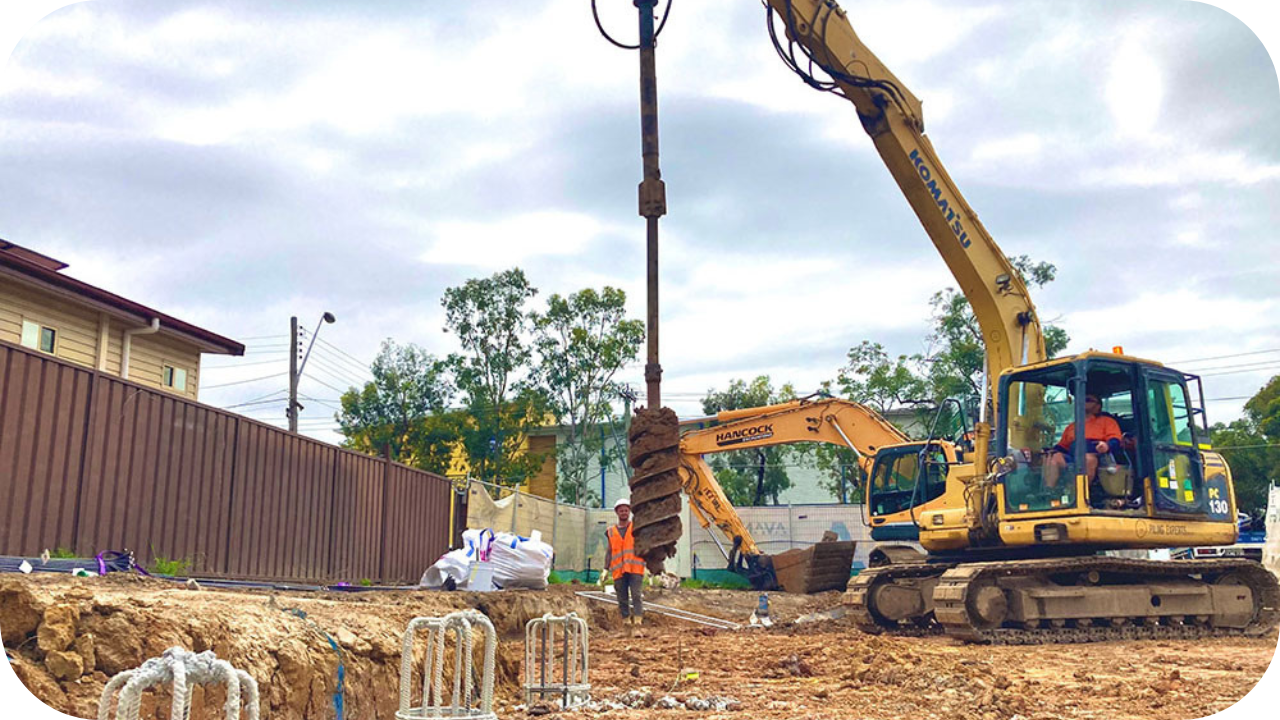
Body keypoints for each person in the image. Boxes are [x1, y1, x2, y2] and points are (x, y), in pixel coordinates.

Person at [1043, 393, 1122, 490]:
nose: (1083, 402)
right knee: (1054, 457)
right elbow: (1063, 446)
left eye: (1088, 400)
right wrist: (1051, 451)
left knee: (1087, 458)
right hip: (1073, 456)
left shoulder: (1107, 421)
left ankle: (1079, 493)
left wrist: (1106, 446)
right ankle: (1049, 491)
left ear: (1098, 406)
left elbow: (1115, 440)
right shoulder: (1072, 426)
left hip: (1098, 456)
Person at [604, 497, 645, 627]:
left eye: (626, 510)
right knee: (622, 597)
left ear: (629, 512)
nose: (624, 513)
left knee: (636, 595)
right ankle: (626, 621)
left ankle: (638, 621)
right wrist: (605, 569)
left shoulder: (636, 527)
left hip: (635, 568)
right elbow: (609, 551)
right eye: (621, 511)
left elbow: (644, 545)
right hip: (618, 570)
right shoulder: (611, 531)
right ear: (617, 512)